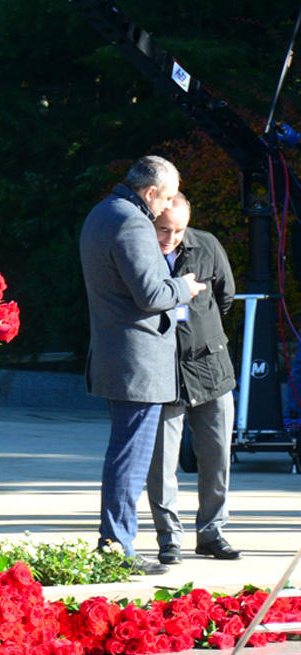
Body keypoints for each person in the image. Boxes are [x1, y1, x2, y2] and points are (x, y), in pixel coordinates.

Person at [79, 155, 207, 575]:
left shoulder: (102, 213)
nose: (168, 205)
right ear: (150, 192)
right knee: (130, 458)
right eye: (167, 197)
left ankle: (116, 542)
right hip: (137, 359)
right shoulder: (132, 222)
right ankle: (117, 547)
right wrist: (184, 288)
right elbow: (152, 295)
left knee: (125, 453)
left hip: (119, 354)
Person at [145, 194, 240, 563]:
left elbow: (225, 296)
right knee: (162, 463)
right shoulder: (139, 250)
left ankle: (212, 532)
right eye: (163, 229)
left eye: (179, 230)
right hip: (162, 372)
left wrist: (204, 332)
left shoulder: (207, 245)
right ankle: (169, 537)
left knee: (217, 457)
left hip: (210, 367)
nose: (170, 238)